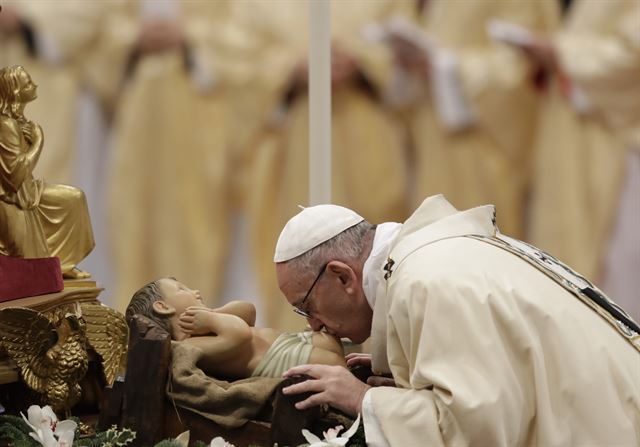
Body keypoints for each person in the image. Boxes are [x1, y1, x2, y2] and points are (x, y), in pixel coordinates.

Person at [274, 196, 640, 446]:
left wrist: (363, 399)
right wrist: (410, 365)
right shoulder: (434, 257)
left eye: (307, 306)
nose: (314, 326)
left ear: (342, 276)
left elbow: (475, 430)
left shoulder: (427, 281)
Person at [125, 277, 346, 380]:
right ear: (163, 307)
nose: (196, 290)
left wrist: (214, 314)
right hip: (279, 360)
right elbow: (238, 335)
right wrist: (212, 320)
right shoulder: (188, 345)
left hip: (288, 343)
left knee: (329, 343)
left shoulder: (207, 321)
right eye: (182, 289)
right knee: (335, 363)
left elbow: (248, 311)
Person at [0, 65, 94, 278]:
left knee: (74, 199)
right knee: (73, 199)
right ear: (15, 92)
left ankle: (63, 264)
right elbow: (14, 177)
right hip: (13, 199)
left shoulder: (16, 121)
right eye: (27, 83)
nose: (34, 85)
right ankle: (58, 266)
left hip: (26, 191)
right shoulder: (6, 125)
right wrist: (38, 143)